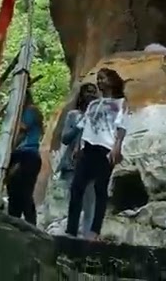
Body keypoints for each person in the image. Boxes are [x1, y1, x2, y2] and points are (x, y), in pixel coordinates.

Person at [65, 67, 127, 240]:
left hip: (105, 148)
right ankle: (71, 230)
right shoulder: (92, 104)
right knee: (76, 187)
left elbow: (122, 125)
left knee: (100, 189)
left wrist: (117, 146)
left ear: (112, 80)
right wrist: (78, 146)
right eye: (98, 78)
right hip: (88, 148)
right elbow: (84, 126)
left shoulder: (120, 103)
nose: (99, 81)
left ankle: (94, 231)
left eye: (103, 78)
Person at [59, 82, 99, 235]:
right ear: (82, 95)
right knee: (75, 201)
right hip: (72, 163)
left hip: (91, 163)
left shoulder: (99, 117)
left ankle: (87, 239)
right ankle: (71, 235)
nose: (92, 95)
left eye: (94, 92)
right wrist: (80, 125)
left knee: (90, 204)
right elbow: (64, 139)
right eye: (88, 91)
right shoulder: (73, 115)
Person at [5, 90, 44, 225]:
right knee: (14, 192)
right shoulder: (22, 113)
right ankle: (13, 222)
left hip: (27, 154)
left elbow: (22, 131)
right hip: (21, 154)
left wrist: (8, 147)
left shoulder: (30, 111)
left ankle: (30, 224)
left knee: (24, 192)